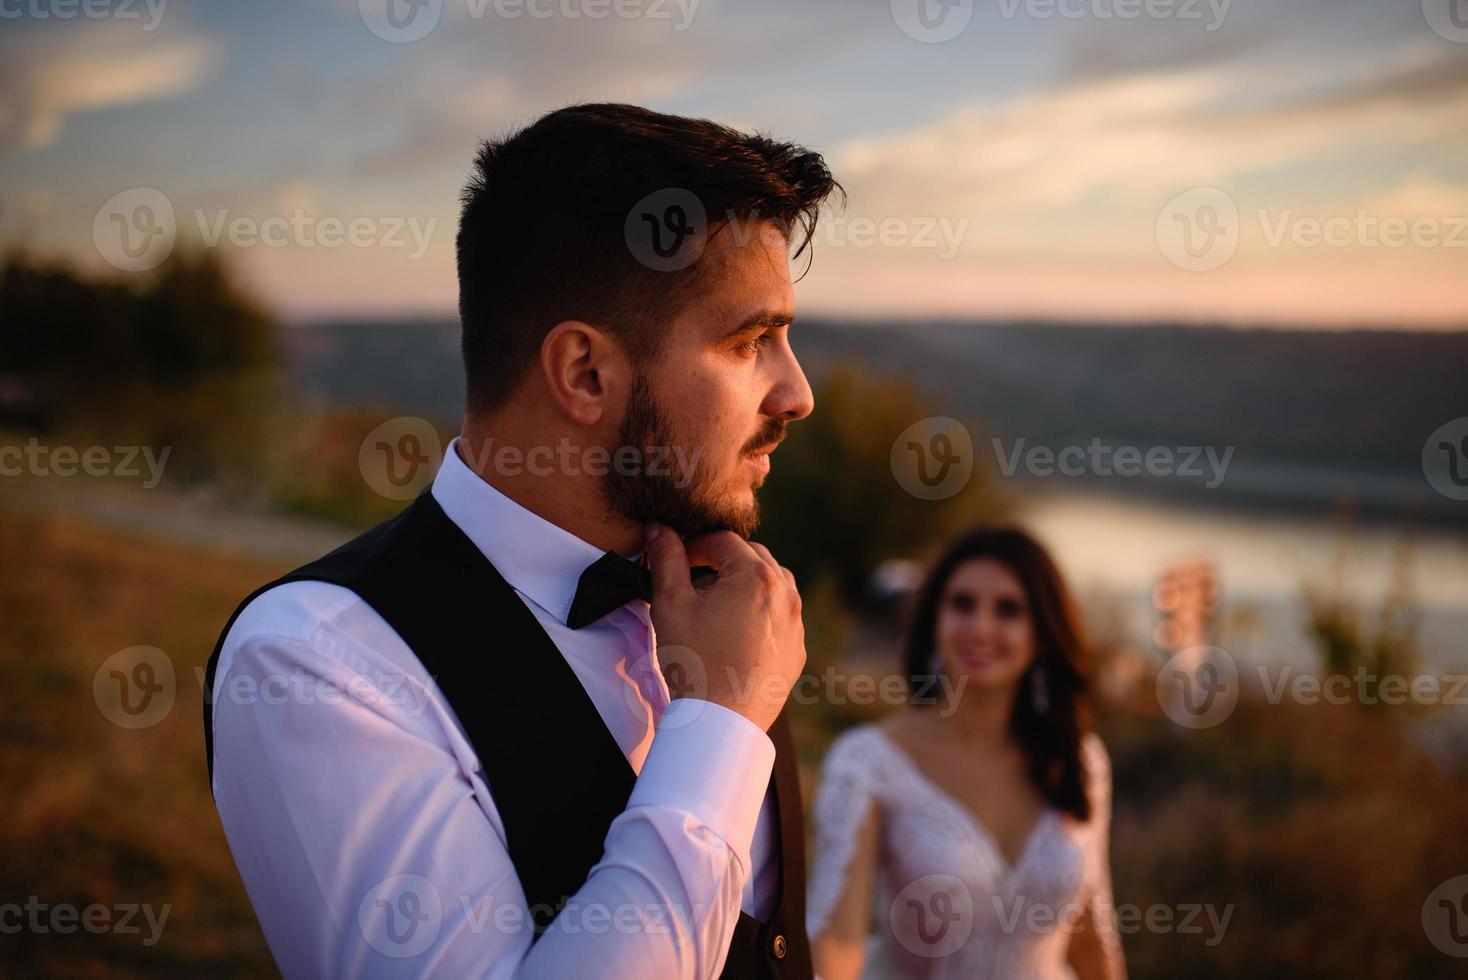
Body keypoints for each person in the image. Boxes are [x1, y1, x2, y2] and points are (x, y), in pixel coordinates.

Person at [202, 103, 841, 978]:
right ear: (584, 373)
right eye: (749, 342)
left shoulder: (724, 599)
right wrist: (722, 723)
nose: (797, 394)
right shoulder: (317, 664)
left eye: (786, 338)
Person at [808, 527, 1126, 979]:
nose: (981, 627)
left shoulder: (1080, 761)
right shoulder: (866, 763)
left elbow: (1092, 940)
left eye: (1008, 610)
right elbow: (835, 942)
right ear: (934, 620)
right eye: (962, 604)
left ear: (1042, 634)